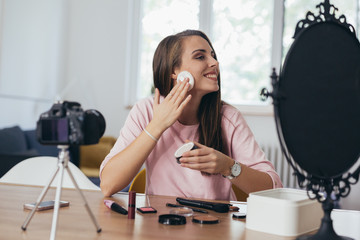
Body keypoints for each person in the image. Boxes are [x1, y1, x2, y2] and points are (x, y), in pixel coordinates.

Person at [100, 29, 282, 200]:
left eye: (213, 56)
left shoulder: (228, 118)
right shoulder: (146, 110)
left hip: (214, 227)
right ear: (174, 71)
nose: (214, 63)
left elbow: (274, 188)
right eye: (200, 56)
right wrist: (157, 126)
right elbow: (108, 185)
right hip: (160, 226)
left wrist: (227, 166)